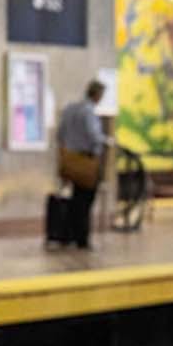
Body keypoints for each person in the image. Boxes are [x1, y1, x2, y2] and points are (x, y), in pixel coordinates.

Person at [57, 80, 109, 249]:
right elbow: (94, 136)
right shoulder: (88, 112)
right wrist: (106, 141)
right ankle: (82, 238)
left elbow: (60, 134)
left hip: (69, 159)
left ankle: (66, 235)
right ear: (97, 95)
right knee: (85, 200)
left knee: (73, 199)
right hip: (86, 161)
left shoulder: (70, 109)